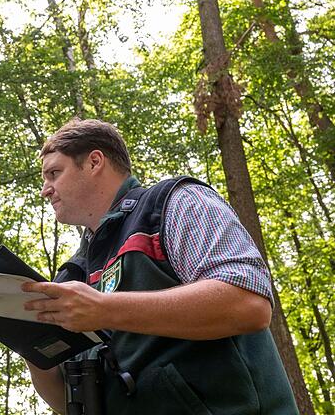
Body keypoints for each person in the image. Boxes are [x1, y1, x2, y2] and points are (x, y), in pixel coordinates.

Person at [21, 118, 297, 414]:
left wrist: (105, 309)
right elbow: (69, 402)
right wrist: (31, 349)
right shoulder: (72, 274)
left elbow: (248, 303)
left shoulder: (174, 203)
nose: (45, 190)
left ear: (94, 162)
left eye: (54, 173)